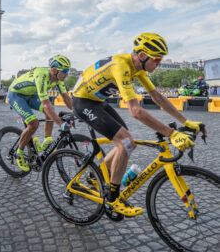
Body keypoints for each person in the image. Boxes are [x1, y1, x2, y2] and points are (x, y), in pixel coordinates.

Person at [72, 33, 206, 217]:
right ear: (142, 56)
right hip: (83, 102)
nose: (159, 64)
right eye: (157, 59)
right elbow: (135, 111)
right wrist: (171, 134)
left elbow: (157, 97)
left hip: (98, 101)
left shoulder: (139, 68)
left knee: (129, 144)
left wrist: (186, 122)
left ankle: (93, 176)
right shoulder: (121, 66)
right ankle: (112, 198)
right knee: (126, 141)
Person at [8, 55, 73, 172]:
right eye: (64, 71)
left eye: (68, 71)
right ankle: (19, 153)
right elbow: (46, 105)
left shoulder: (58, 79)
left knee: (50, 111)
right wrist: (60, 123)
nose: (67, 74)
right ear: (54, 70)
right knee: (34, 124)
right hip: (16, 95)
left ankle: (47, 140)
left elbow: (66, 98)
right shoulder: (41, 76)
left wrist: (78, 112)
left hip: (31, 95)